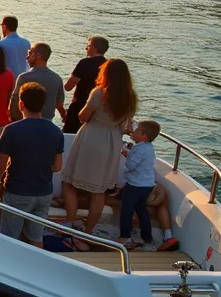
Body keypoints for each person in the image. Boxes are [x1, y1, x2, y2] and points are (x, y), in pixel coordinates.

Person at [60, 59, 137, 234]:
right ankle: (89, 230)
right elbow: (126, 125)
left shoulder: (99, 93)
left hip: (92, 137)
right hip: (112, 141)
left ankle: (70, 221)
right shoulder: (131, 97)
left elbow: (83, 117)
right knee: (99, 191)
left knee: (69, 182)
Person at [0, 83, 63, 248]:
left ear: (21, 104)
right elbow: (57, 167)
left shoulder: (11, 130)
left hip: (17, 192)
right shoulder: (55, 131)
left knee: (10, 238)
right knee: (36, 238)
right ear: (43, 105)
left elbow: (0, 164)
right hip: (44, 192)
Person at [118, 119, 160, 248]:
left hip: (134, 185)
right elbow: (141, 161)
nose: (133, 132)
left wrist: (128, 157)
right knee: (141, 209)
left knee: (126, 210)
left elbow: (131, 165)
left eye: (136, 130)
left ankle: (125, 237)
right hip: (147, 185)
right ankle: (147, 236)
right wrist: (129, 154)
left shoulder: (139, 149)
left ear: (143, 136)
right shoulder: (149, 147)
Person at [9, 42, 66, 123]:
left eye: (30, 53)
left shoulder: (24, 77)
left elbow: (14, 100)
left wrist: (13, 119)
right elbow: (59, 104)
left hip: (26, 121)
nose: (27, 57)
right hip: (47, 123)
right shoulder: (57, 79)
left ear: (38, 55)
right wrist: (63, 116)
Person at [63, 36, 108, 133]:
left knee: (70, 133)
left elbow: (68, 87)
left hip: (80, 104)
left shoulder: (84, 63)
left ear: (94, 48)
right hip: (99, 107)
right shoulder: (108, 65)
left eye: (88, 45)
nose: (86, 48)